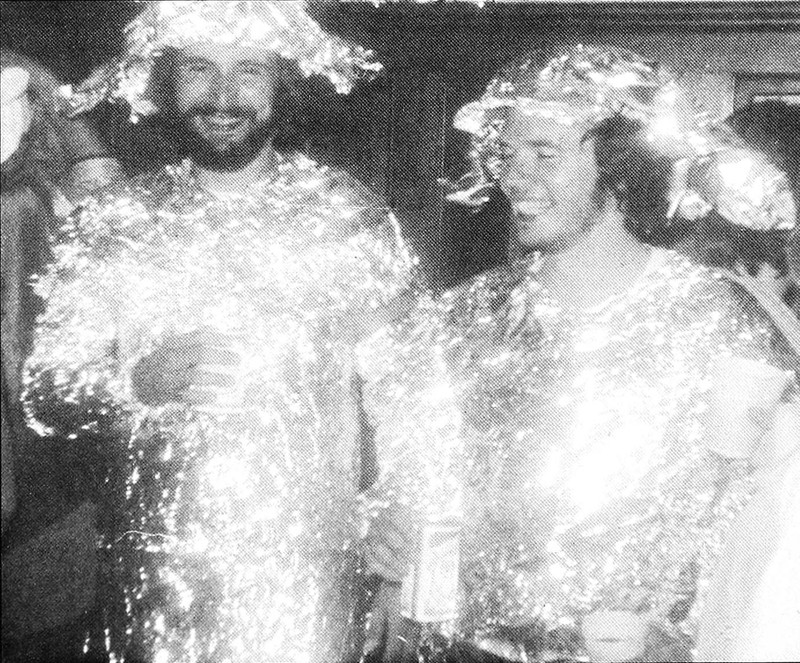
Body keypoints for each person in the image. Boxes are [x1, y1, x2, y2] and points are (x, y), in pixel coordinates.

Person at [358, 45, 796, 662]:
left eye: (545, 154)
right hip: (469, 650)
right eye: (507, 155)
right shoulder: (463, 316)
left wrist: (678, 639)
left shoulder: (716, 321)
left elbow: (758, 514)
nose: (515, 178)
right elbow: (416, 477)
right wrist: (386, 536)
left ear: (619, 164)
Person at [23, 2, 416, 662]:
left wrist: (400, 552)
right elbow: (46, 391)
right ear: (166, 82)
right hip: (153, 581)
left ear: (282, 84)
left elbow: (414, 391)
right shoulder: (115, 222)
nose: (224, 95)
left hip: (303, 580)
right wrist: (134, 381)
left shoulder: (347, 218)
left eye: (249, 71)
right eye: (200, 68)